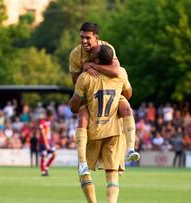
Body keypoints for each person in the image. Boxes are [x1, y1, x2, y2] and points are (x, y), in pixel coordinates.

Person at [69, 22, 139, 176]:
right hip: (89, 94)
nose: (84, 41)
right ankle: (82, 163)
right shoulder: (75, 54)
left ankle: (130, 148)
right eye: (81, 37)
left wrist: (90, 66)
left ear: (96, 38)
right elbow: (75, 81)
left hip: (111, 91)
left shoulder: (107, 48)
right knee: (82, 118)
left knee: (126, 108)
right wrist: (85, 70)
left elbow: (115, 70)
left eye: (88, 38)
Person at [69, 45, 131, 203]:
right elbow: (129, 94)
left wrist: (83, 105)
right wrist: (120, 98)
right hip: (114, 130)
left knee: (84, 172)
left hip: (93, 130)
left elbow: (74, 107)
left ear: (96, 60)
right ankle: (131, 147)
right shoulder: (121, 73)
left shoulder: (85, 77)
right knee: (112, 173)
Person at [38, 110, 56, 176]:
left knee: (54, 155)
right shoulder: (42, 122)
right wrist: (46, 144)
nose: (52, 118)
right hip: (43, 141)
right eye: (51, 117)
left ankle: (46, 167)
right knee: (43, 156)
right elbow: (42, 134)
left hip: (49, 141)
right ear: (48, 116)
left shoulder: (48, 122)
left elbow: (48, 133)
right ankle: (43, 172)